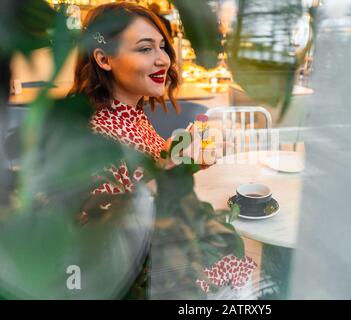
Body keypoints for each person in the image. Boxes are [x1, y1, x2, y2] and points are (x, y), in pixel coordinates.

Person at [68, 2, 256, 299]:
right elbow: (121, 238)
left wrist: (181, 159)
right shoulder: (99, 136)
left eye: (162, 47)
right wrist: (172, 168)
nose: (164, 60)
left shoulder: (128, 114)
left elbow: (144, 176)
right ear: (104, 59)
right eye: (145, 49)